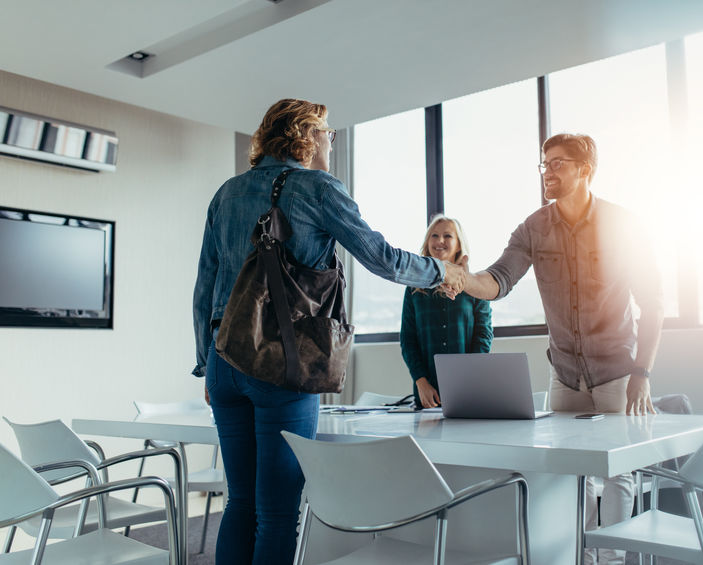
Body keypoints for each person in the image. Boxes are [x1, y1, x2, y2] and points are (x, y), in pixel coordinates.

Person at [192, 98, 467, 564]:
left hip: (225, 361)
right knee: (277, 513)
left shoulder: (227, 193)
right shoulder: (317, 188)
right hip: (282, 361)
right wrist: (440, 271)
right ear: (305, 135)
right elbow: (379, 256)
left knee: (239, 502)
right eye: (328, 133)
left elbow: (204, 285)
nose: (331, 141)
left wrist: (207, 361)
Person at [457, 133, 664, 565]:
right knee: (574, 477)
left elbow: (653, 301)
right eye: (544, 164)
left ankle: (609, 560)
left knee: (617, 475)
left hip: (617, 373)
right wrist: (462, 280)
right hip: (565, 374)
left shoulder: (622, 224)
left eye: (557, 164)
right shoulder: (534, 227)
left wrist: (642, 374)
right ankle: (581, 558)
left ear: (584, 170)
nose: (547, 172)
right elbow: (500, 278)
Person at [400, 214, 493, 408]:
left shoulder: (475, 287)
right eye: (434, 235)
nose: (440, 241)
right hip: (427, 396)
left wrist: (467, 379)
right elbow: (408, 340)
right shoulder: (413, 289)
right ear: (428, 242)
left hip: (468, 389)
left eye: (448, 236)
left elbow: (483, 337)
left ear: (459, 244)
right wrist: (421, 381)